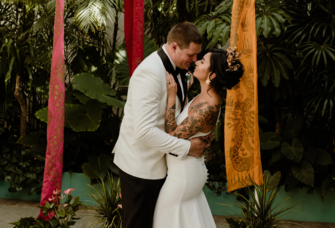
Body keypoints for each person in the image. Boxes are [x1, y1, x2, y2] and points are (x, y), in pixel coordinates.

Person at [113, 22, 213, 228]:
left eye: (197, 56)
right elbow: (144, 131)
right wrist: (187, 147)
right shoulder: (149, 73)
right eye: (191, 55)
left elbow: (175, 115)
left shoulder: (179, 69)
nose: (194, 61)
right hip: (141, 166)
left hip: (162, 164)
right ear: (174, 46)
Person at [152, 47, 244, 228]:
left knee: (165, 221)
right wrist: (185, 93)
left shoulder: (208, 106)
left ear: (213, 75)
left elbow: (171, 137)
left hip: (183, 175)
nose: (197, 62)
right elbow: (189, 122)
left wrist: (171, 100)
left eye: (203, 62)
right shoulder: (205, 96)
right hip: (185, 170)